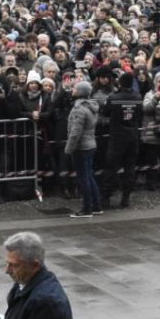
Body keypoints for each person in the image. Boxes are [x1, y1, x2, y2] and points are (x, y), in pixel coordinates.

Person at [100, 71, 143, 209]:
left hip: (117, 136)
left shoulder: (114, 97)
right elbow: (140, 114)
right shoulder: (137, 97)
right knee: (130, 168)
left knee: (111, 167)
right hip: (132, 136)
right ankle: (126, 198)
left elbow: (105, 112)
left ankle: (106, 197)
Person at [64, 79, 102, 217]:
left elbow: (75, 132)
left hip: (81, 147)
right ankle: (96, 205)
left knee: (83, 178)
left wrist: (68, 149)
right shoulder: (91, 106)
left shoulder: (78, 109)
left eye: (75, 88)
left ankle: (87, 208)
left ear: (80, 92)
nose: (72, 90)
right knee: (89, 176)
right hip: (90, 144)